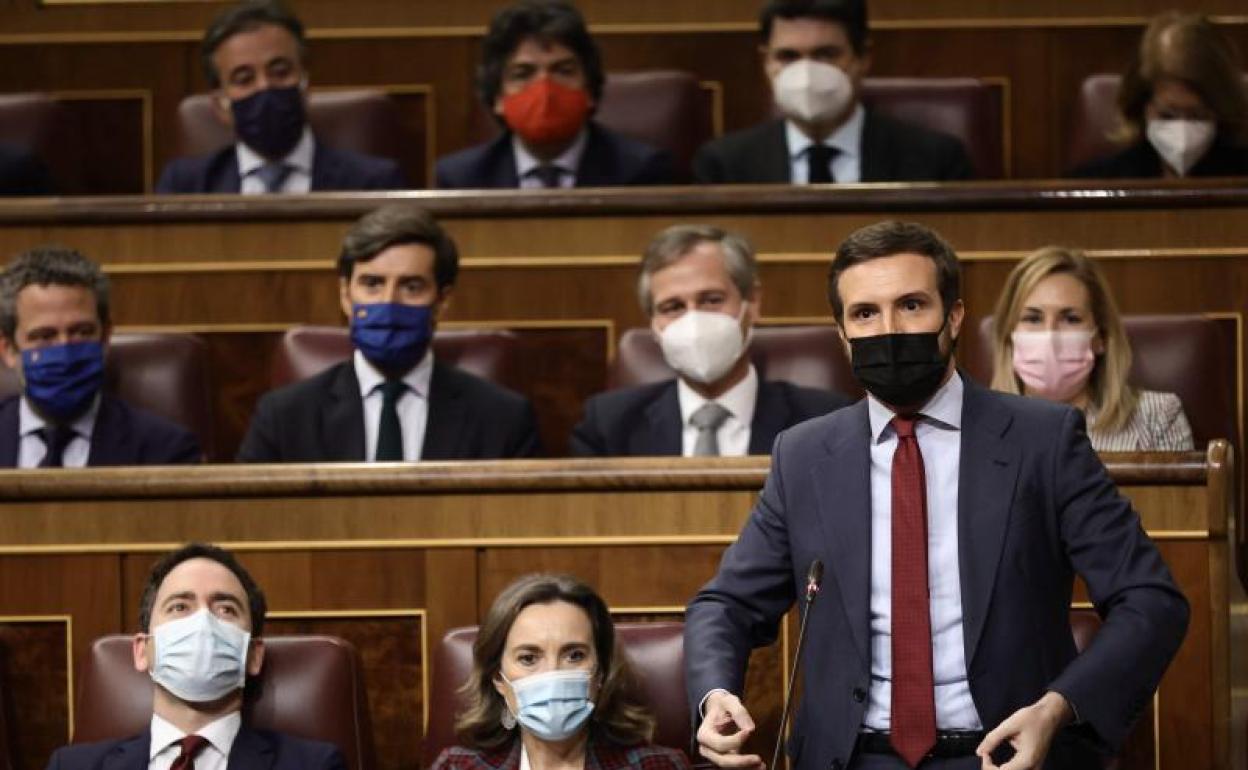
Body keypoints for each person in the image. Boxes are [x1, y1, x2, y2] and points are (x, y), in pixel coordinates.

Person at [685, 221, 1188, 770]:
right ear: (842, 332)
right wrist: (714, 696)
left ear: (954, 316)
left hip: (1005, 752)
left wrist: (1058, 708)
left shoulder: (1041, 441)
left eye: (912, 305)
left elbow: (1150, 600)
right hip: (850, 758)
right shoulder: (804, 455)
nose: (890, 329)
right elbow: (725, 604)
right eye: (865, 314)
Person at [238, 204, 541, 461]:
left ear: (442, 301)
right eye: (372, 284)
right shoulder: (284, 416)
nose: (389, 302)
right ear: (346, 296)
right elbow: (248, 524)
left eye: (411, 287)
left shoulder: (503, 418)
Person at [44, 542, 346, 770]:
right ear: (142, 650)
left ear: (253, 655)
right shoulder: (71, 766)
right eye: (180, 607)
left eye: (225, 609)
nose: (203, 623)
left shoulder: (313, 764)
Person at [570, 225, 850, 456]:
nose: (694, 321)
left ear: (752, 302)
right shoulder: (607, 426)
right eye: (673, 307)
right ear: (654, 324)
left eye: (712, 300)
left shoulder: (825, 420)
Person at [692, 0, 973, 185]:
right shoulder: (723, 166)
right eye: (787, 56)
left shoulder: (935, 161)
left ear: (863, 58)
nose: (806, 73)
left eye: (826, 54)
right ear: (766, 62)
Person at [430, 573, 690, 770]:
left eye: (574, 655)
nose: (552, 674)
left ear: (600, 673)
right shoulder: (456, 766)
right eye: (529, 658)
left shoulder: (658, 765)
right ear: (499, 678)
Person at [156, 0, 406, 194]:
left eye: (280, 72)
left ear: (305, 86)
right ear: (220, 106)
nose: (265, 87)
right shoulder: (186, 186)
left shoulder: (373, 182)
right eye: (244, 79)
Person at [435, 0, 674, 189]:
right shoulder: (461, 178)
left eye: (563, 71)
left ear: (589, 89)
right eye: (523, 73)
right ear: (498, 97)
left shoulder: (642, 171)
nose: (545, 89)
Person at [0, 247, 201, 467]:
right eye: (45, 336)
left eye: (82, 332)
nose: (65, 349)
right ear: (9, 349)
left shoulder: (165, 450)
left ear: (105, 338)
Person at [989, 246, 1194, 452]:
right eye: (1033, 318)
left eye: (1071, 319)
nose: (1050, 335)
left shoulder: (1157, 417)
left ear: (1100, 337)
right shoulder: (976, 425)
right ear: (1009, 335)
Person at [1071, 12, 1248, 179]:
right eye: (1167, 116)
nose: (1182, 133)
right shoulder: (1095, 185)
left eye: (1197, 116)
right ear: (1141, 108)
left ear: (1220, 110)